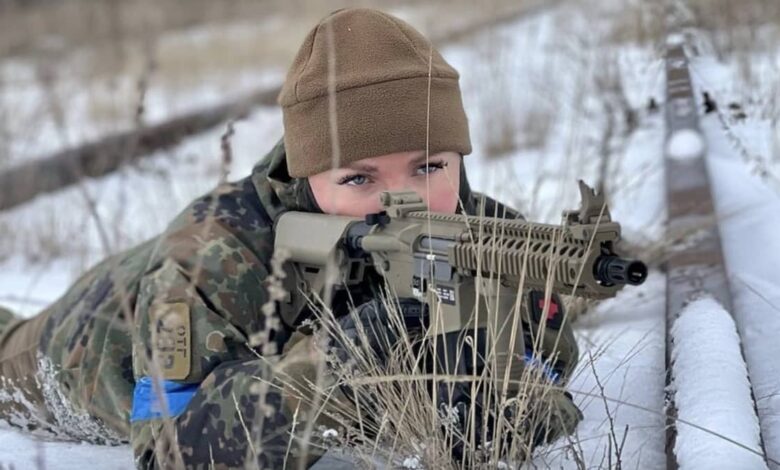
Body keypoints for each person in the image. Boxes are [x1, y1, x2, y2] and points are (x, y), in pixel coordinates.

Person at [0, 8, 581, 469]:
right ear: (306, 177)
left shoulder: (487, 234)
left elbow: (550, 363)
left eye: (429, 167)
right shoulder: (214, 254)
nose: (402, 201)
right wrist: (335, 363)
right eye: (358, 178)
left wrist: (498, 399)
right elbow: (167, 452)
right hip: (74, 352)